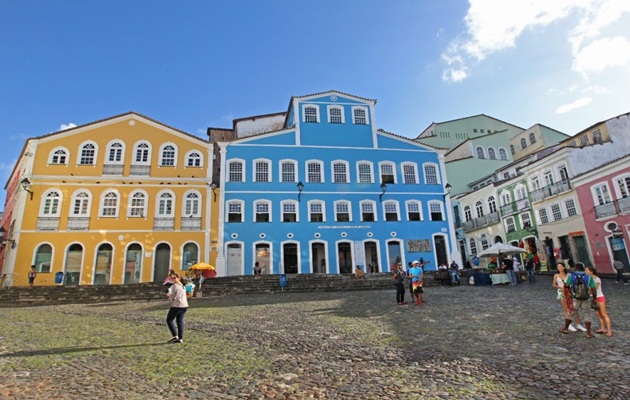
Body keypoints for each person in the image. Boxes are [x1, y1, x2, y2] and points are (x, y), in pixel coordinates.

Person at [560, 262, 596, 338]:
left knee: (572, 312)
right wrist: (594, 298)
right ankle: (588, 333)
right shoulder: (588, 277)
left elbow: (566, 285)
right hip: (586, 298)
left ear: (576, 267)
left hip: (576, 297)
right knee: (587, 314)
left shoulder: (571, 276)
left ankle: (566, 328)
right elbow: (593, 288)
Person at [552, 262, 585, 333]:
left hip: (570, 292)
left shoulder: (569, 275)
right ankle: (569, 325)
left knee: (574, 308)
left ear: (564, 267)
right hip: (561, 293)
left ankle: (578, 324)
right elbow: (554, 285)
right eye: (558, 267)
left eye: (561, 266)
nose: (559, 268)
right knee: (566, 308)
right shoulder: (556, 275)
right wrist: (561, 287)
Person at [586, 266, 613, 337]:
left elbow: (594, 288)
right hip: (593, 298)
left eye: (586, 270)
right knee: (598, 314)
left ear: (591, 271)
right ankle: (603, 328)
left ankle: (609, 330)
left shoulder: (597, 279)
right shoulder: (588, 279)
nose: (585, 272)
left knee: (604, 314)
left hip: (599, 297)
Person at [166, 273, 189, 343]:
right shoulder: (182, 285)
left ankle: (175, 335)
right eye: (172, 278)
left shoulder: (175, 286)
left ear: (178, 278)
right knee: (180, 321)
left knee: (169, 320)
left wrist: (169, 297)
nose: (173, 279)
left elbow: (174, 296)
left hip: (177, 305)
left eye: (174, 278)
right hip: (184, 305)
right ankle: (180, 338)